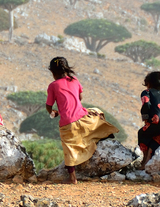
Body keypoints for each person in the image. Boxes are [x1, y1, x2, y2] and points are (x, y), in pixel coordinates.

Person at [45, 56, 118, 184]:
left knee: (69, 148)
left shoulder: (53, 86)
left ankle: (72, 178)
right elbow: (80, 97)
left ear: (52, 71)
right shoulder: (74, 80)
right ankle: (102, 134)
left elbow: (49, 105)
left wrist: (53, 113)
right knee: (97, 112)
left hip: (68, 123)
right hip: (84, 118)